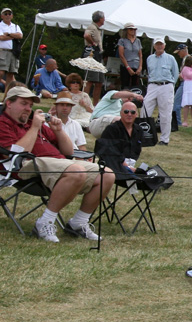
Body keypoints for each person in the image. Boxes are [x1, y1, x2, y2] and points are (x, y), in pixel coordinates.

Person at [0, 86, 114, 242]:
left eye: (30, 105)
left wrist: (59, 130)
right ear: (9, 104)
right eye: (23, 104)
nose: (28, 109)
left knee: (106, 174)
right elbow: (15, 154)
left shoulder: (33, 122)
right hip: (24, 166)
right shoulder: (4, 123)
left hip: (58, 163)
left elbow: (68, 151)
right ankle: (44, 222)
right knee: (77, 171)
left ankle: (78, 223)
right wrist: (34, 128)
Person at [142, 38, 178, 145]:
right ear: (154, 46)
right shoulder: (149, 58)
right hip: (152, 85)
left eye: (161, 44)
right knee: (145, 109)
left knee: (165, 113)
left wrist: (170, 86)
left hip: (166, 85)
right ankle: (145, 134)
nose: (159, 46)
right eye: (157, 44)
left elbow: (175, 74)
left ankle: (164, 139)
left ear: (164, 45)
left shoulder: (170, 58)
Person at [95, 99, 144, 177]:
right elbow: (111, 154)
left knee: (151, 174)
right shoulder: (112, 129)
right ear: (120, 113)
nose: (129, 114)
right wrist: (127, 168)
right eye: (126, 111)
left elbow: (137, 150)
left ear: (136, 114)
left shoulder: (139, 130)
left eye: (133, 112)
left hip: (130, 163)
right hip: (114, 164)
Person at [83, 10, 106, 104]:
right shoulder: (91, 26)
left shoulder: (97, 28)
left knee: (99, 81)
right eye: (104, 18)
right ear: (100, 19)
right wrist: (93, 43)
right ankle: (84, 102)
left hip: (98, 55)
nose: (104, 20)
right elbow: (86, 35)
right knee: (90, 80)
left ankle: (95, 104)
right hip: (92, 54)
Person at [0, 7, 23, 85]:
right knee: (1, 72)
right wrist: (14, 36)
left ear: (12, 16)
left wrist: (9, 34)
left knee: (10, 74)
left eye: (9, 14)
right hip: (2, 51)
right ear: (2, 16)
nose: (8, 15)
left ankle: (7, 96)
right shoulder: (0, 25)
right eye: (5, 14)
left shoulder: (15, 26)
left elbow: (20, 36)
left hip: (13, 52)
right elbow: (1, 37)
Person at [117, 23, 143, 89]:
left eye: (134, 29)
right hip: (126, 66)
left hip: (136, 66)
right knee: (125, 86)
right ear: (126, 30)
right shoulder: (122, 41)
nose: (133, 31)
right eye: (131, 29)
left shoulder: (138, 41)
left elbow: (140, 55)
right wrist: (128, 67)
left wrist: (140, 67)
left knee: (136, 87)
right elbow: (121, 55)